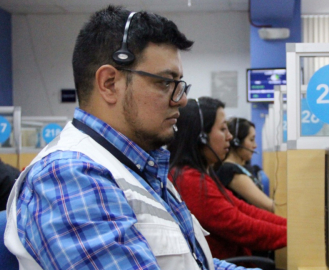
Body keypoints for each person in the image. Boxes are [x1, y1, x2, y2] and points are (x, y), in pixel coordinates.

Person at [5, 6, 258, 270]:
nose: (181, 99)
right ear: (110, 84)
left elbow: (196, 264)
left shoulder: (138, 168)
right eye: (164, 83)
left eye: (180, 84)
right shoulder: (69, 177)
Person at [168, 97, 287, 260]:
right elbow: (244, 227)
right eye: (223, 129)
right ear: (201, 137)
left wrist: (291, 227)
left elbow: (243, 209)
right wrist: (295, 233)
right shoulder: (190, 181)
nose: (229, 136)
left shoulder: (198, 175)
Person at [216, 118, 274, 212]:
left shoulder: (241, 167)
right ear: (237, 142)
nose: (255, 145)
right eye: (251, 140)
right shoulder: (229, 170)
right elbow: (267, 205)